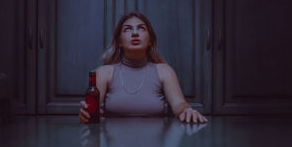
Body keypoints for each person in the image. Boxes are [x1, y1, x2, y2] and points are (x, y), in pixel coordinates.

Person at [79, 12, 208, 124]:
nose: (135, 33)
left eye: (141, 28)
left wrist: (187, 111)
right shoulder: (103, 73)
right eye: (127, 29)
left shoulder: (164, 71)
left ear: (150, 40)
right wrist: (86, 114)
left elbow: (180, 105)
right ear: (119, 42)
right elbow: (90, 112)